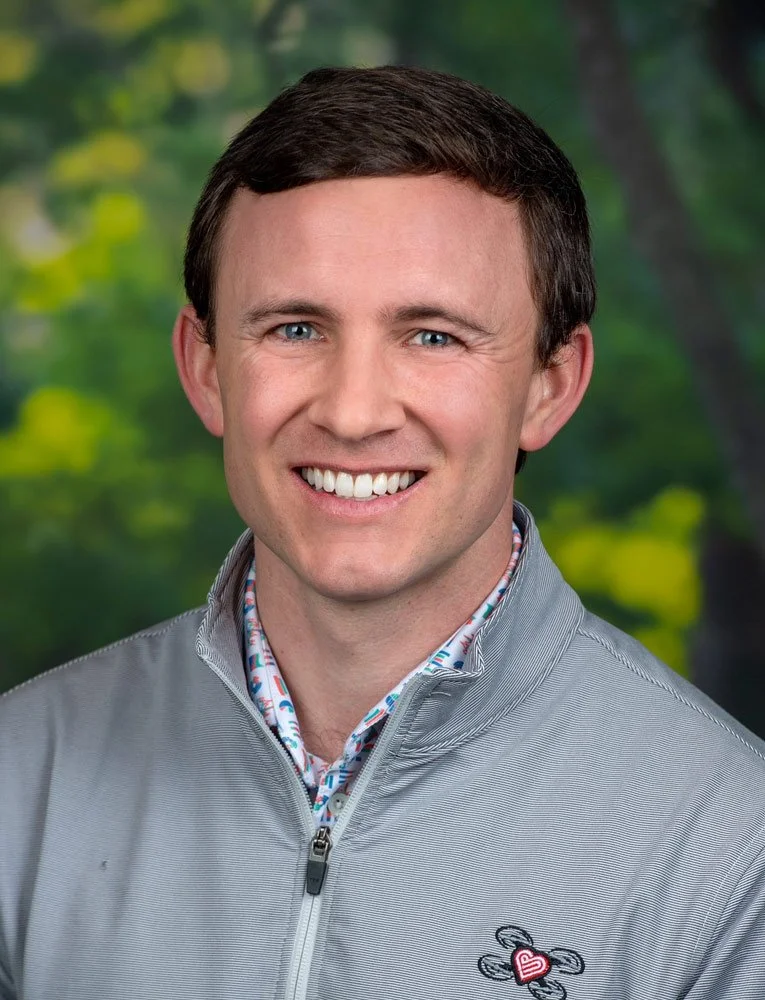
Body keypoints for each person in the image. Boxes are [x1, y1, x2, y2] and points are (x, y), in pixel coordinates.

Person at [1, 65, 764, 1000]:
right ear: (205, 369)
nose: (353, 412)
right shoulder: (19, 777)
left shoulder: (731, 849)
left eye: (433, 336)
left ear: (549, 385)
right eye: (294, 329)